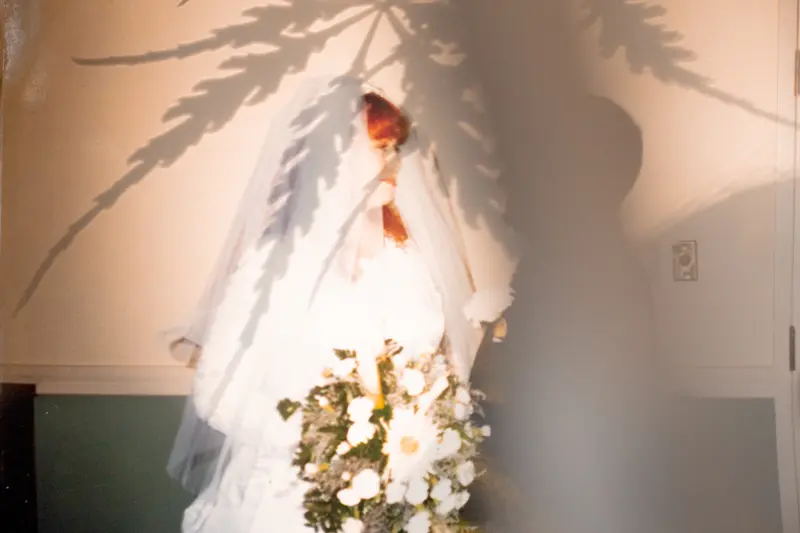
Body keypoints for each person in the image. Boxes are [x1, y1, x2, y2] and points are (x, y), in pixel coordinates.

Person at [165, 76, 517, 533]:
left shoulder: (405, 256)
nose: (393, 162)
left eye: (394, 148)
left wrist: (418, 433)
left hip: (403, 493)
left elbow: (433, 363)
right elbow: (218, 390)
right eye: (379, 148)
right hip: (291, 498)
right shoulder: (273, 265)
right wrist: (326, 444)